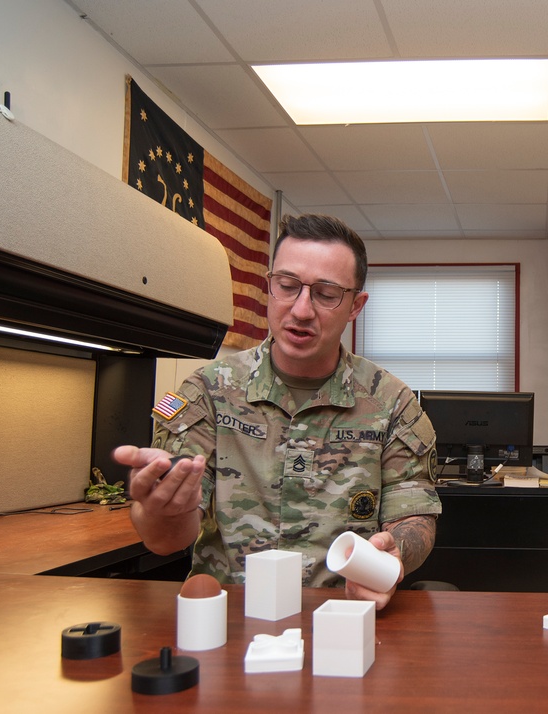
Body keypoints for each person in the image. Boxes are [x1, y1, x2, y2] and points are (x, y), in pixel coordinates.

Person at [115, 213, 441, 610]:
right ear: (269, 287)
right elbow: (165, 541)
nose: (301, 310)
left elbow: (415, 518)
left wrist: (395, 555)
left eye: (326, 294)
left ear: (355, 306)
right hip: (230, 619)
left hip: (343, 619)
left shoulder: (392, 403)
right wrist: (163, 509)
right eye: (287, 287)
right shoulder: (209, 391)